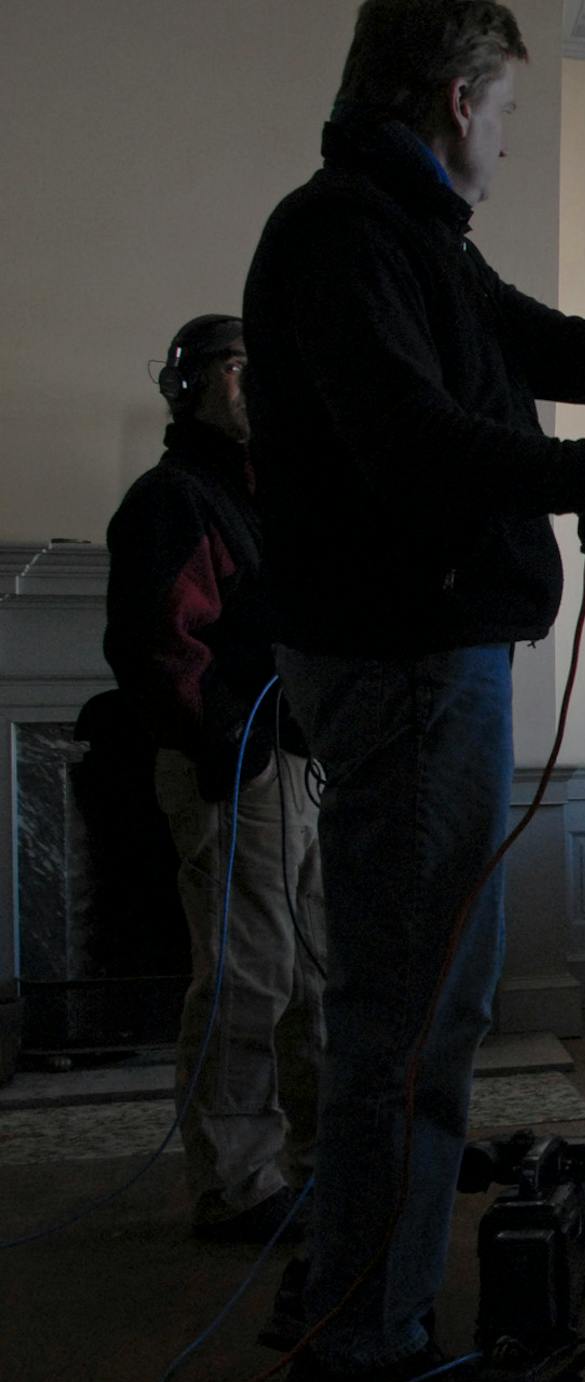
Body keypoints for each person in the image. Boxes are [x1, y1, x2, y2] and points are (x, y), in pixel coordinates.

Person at [241, 2, 585, 1382]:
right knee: (407, 1026)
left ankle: (360, 1309)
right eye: (511, 114)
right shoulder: (345, 234)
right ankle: (362, 1360)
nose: (512, 139)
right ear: (463, 101)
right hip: (409, 669)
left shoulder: (415, 247)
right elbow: (417, 448)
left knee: (420, 1014)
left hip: (426, 666)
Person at [103, 314, 327, 1245]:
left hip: (297, 767)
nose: (251, 381)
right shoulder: (173, 500)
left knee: (314, 975)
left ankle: (320, 1164)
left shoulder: (269, 494)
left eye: (258, 366)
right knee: (248, 978)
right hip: (236, 769)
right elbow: (159, 648)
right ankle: (235, 1184)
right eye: (234, 365)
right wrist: (230, 748)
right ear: (190, 384)